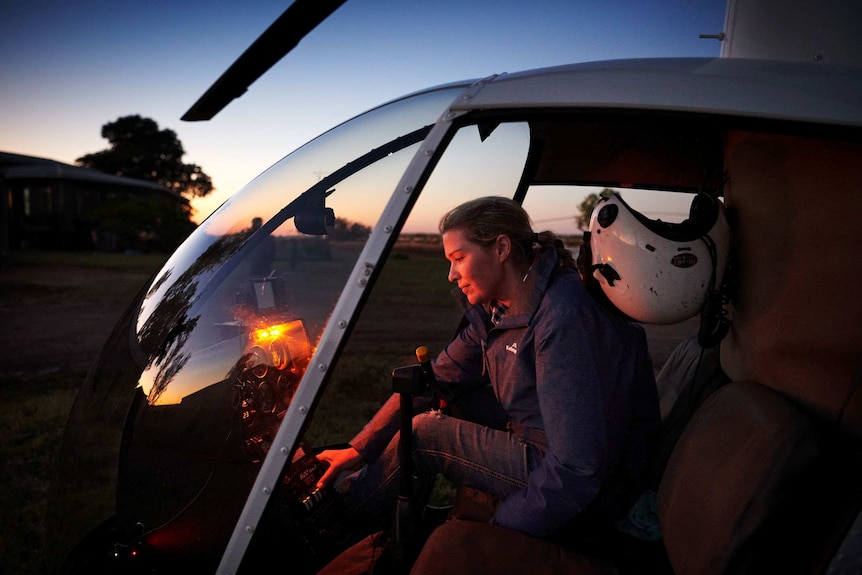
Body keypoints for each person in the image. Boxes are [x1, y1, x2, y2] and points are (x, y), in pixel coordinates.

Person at [316, 196, 659, 541]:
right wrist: (359, 448)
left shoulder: (562, 317)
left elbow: (578, 468)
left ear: (502, 248)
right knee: (446, 406)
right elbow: (439, 378)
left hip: (589, 482)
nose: (451, 275)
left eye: (459, 259)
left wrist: (494, 537)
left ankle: (336, 525)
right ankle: (396, 528)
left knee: (425, 433)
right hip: (545, 441)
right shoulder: (501, 310)